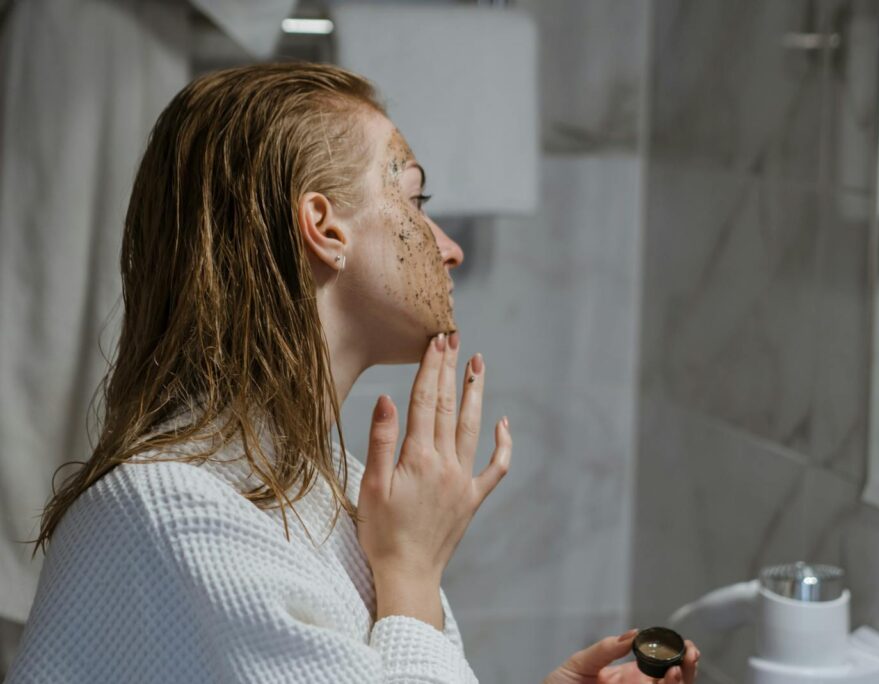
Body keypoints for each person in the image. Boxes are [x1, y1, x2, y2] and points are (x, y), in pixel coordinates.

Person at [5, 63, 699, 683]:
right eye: (417, 202)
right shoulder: (170, 511)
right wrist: (412, 572)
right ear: (325, 228)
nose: (450, 249)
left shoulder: (310, 482)